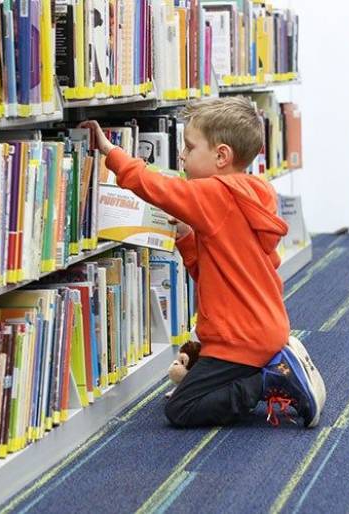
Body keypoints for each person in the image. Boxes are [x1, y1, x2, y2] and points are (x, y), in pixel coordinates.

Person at [79, 96, 326, 428]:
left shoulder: (216, 193)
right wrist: (185, 236)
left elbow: (158, 188)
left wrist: (112, 153)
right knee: (193, 382)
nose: (181, 156)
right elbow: (211, 274)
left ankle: (270, 379)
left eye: (189, 147)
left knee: (181, 408)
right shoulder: (253, 193)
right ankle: (267, 365)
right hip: (261, 327)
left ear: (221, 156)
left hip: (239, 340)